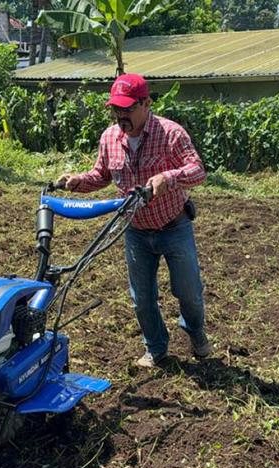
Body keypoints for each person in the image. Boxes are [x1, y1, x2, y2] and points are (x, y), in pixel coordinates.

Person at [57, 73, 211, 368]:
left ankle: (195, 332)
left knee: (188, 291)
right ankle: (156, 347)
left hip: (173, 225)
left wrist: (168, 178)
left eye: (127, 108)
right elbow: (101, 175)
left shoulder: (171, 134)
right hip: (135, 231)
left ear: (146, 103)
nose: (120, 116)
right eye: (116, 109)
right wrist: (78, 181)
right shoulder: (109, 138)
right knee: (141, 297)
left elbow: (198, 170)